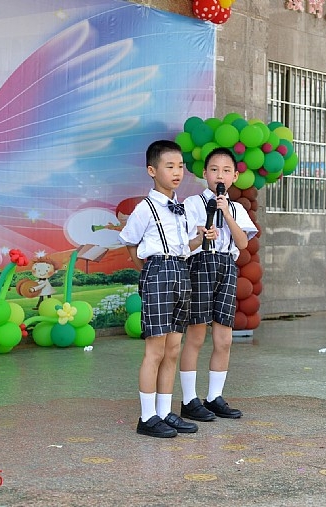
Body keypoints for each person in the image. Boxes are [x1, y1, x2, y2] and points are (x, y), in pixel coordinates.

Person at [119, 140, 215, 438]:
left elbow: (184, 246)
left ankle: (164, 412)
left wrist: (202, 238)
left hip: (181, 270)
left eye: (181, 166)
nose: (177, 172)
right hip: (158, 272)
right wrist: (149, 271)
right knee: (155, 349)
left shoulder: (182, 209)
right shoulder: (144, 209)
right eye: (169, 166)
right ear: (152, 170)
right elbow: (130, 242)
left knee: (173, 348)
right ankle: (147, 417)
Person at [179, 147, 258, 421]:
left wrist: (226, 213)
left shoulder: (235, 208)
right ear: (205, 173)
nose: (219, 176)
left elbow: (243, 242)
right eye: (214, 170)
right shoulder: (192, 204)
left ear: (235, 176)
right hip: (200, 265)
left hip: (226, 267)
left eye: (226, 171)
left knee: (224, 339)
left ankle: (214, 397)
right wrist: (201, 236)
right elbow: (185, 243)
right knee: (196, 336)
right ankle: (189, 400)